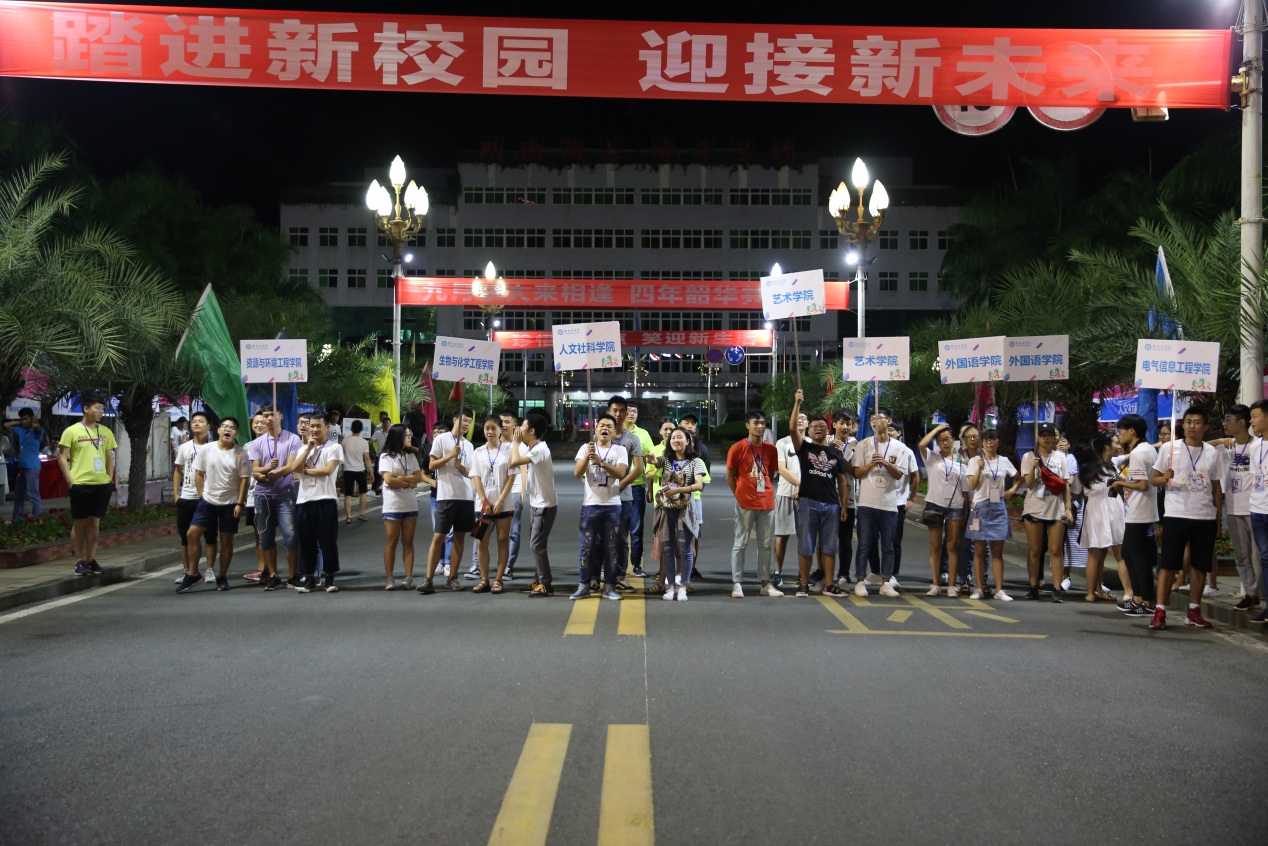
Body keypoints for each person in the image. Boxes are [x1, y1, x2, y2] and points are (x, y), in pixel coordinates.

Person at [1149, 406, 1225, 630]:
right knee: (1168, 565)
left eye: (1197, 422)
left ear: (1205, 427)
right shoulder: (1169, 449)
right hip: (1176, 514)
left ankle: (1194, 611)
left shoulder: (1213, 453)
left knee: (1200, 566)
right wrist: (1164, 477)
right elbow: (1154, 479)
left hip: (1205, 516)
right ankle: (1160, 611)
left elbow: (1216, 488)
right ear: (1183, 425)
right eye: (1188, 422)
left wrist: (1218, 519)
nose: (1192, 426)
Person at [177, 417, 251, 593]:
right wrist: (202, 495)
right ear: (218, 430)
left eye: (232, 427)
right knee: (192, 534)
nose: (228, 430)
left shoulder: (241, 453)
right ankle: (193, 574)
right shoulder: (207, 449)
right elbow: (199, 474)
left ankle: (222, 576)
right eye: (224, 426)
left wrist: (240, 503)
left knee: (226, 539)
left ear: (236, 433)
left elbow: (244, 480)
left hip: (230, 503)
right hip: (208, 501)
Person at [850, 406, 914, 597]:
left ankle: (886, 582)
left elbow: (899, 474)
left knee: (888, 546)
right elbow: (857, 472)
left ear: (889, 421)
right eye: (872, 419)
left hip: (889, 504)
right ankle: (860, 581)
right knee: (864, 544)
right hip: (867, 504)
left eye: (879, 418)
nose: (875, 422)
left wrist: (885, 463)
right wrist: (871, 464)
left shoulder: (900, 448)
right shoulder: (863, 445)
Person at [790, 391, 848, 597]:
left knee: (829, 547)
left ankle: (829, 584)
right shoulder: (804, 448)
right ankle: (804, 584)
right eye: (814, 426)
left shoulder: (836, 453)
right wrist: (797, 403)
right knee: (805, 545)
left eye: (822, 426)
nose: (818, 429)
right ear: (809, 430)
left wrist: (843, 504)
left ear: (827, 430)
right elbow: (792, 428)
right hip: (808, 502)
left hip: (831, 505)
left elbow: (842, 480)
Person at [57, 395, 117, 576]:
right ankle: (78, 561)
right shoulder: (72, 431)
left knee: (94, 523)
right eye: (98, 408)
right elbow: (62, 457)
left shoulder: (106, 432)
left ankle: (91, 560)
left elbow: (109, 457)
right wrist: (70, 481)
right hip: (80, 484)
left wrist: (109, 479)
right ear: (86, 409)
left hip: (102, 484)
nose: (101, 411)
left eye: (102, 408)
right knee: (79, 522)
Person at [285, 411, 344, 593]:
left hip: (326, 500)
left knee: (328, 542)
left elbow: (327, 470)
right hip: (304, 501)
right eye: (312, 426)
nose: (314, 429)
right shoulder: (303, 449)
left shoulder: (334, 447)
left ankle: (329, 578)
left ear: (327, 426)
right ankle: (309, 578)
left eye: (318, 426)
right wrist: (308, 449)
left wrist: (306, 471)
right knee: (306, 542)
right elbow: (294, 468)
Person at [247, 403, 303, 591]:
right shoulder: (257, 443)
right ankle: (273, 575)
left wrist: (268, 475)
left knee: (291, 535)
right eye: (266, 415)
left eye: (272, 414)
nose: (269, 418)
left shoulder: (293, 439)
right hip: (262, 496)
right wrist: (265, 471)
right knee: (265, 537)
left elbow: (290, 466)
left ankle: (293, 575)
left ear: (281, 415)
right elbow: (255, 470)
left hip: (286, 494)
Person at [572, 414, 628, 600]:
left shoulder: (619, 450)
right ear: (596, 429)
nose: (605, 429)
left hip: (613, 506)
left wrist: (601, 463)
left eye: (609, 426)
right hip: (590, 506)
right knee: (586, 547)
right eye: (601, 425)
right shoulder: (586, 448)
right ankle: (584, 585)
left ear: (614, 431)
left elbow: (620, 473)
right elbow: (577, 473)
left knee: (612, 548)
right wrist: (588, 457)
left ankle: (610, 586)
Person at [725, 410, 780, 598]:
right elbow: (730, 476)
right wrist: (739, 494)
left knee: (765, 545)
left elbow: (769, 474)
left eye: (763, 423)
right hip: (745, 503)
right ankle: (737, 583)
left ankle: (765, 583)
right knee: (740, 543)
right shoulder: (738, 448)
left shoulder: (771, 449)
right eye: (756, 423)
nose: (760, 426)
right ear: (747, 425)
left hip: (766, 503)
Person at [420, 408, 474, 594]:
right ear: (455, 420)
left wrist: (462, 467)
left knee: (459, 537)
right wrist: (450, 455)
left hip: (465, 496)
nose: (467, 424)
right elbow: (431, 465)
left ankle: (453, 578)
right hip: (446, 496)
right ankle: (428, 579)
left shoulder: (469, 446)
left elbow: (471, 472)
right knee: (439, 536)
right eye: (464, 420)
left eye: (469, 422)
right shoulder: (441, 440)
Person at [1019, 422, 1074, 602]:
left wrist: (1068, 508)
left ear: (1054, 437)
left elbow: (1065, 484)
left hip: (1056, 508)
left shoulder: (1060, 458)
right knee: (1034, 550)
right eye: (1042, 435)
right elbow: (1029, 484)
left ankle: (1057, 588)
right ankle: (1033, 586)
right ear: (1037, 438)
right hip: (1034, 508)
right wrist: (1034, 467)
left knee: (1056, 550)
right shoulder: (1028, 457)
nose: (1046, 438)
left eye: (1049, 435)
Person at [1212, 405, 1260, 612]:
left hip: (1257, 508)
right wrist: (1218, 441)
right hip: (1233, 508)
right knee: (1241, 555)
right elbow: (1199, 446)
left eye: (1228, 419)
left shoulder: (1258, 445)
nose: (1225, 423)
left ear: (1242, 422)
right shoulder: (1225, 447)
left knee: (1263, 554)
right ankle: (1251, 594)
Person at [649, 426, 705, 601]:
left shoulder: (695, 462)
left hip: (685, 509)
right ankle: (671, 586)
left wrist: (679, 490)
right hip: (666, 509)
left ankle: (683, 586)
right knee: (668, 549)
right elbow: (655, 463)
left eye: (680, 437)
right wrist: (651, 459)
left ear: (688, 441)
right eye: (673, 438)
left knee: (685, 549)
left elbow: (699, 485)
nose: (675, 440)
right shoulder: (666, 460)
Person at [1112, 414, 1159, 617]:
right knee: (1132, 555)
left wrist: (1119, 483)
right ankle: (1138, 598)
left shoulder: (1139, 453)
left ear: (1132, 431)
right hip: (1140, 510)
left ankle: (1146, 601)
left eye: (1121, 430)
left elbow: (1142, 484)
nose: (1119, 434)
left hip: (1139, 512)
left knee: (1136, 557)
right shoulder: (1146, 449)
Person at [964, 429, 1018, 600]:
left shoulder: (1004, 461)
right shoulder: (975, 461)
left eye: (993, 439)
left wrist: (1011, 491)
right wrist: (979, 469)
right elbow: (972, 485)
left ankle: (999, 590)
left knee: (997, 552)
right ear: (983, 442)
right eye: (986, 439)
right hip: (980, 507)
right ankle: (979, 588)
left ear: (998, 441)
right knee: (979, 550)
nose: (989, 442)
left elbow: (1019, 477)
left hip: (998, 507)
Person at [509, 413, 558, 597]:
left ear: (531, 430)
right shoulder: (534, 448)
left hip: (544, 505)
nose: (519, 429)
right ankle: (539, 579)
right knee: (536, 543)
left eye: (522, 425)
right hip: (538, 503)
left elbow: (514, 462)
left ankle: (545, 583)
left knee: (536, 545)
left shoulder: (540, 449)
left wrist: (515, 443)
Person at [1073, 436, 1125, 603]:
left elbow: (1076, 492)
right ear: (1105, 447)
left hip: (1094, 509)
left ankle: (1092, 593)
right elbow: (1121, 487)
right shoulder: (1110, 468)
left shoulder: (1084, 470)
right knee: (1119, 553)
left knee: (1094, 555)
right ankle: (1129, 592)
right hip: (1113, 507)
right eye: (1115, 443)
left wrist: (1089, 495)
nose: (1118, 446)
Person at [919, 423, 967, 597]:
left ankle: (952, 585)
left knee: (952, 545)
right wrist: (936, 429)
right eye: (941, 440)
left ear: (953, 440)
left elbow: (965, 488)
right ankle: (935, 584)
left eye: (947, 439)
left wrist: (967, 509)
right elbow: (921, 444)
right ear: (937, 443)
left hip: (955, 505)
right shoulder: (932, 457)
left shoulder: (961, 461)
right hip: (935, 504)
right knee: (935, 545)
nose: (945, 443)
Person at [470, 415, 515, 594]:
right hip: (483, 507)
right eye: (487, 428)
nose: (490, 431)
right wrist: (484, 501)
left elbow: (511, 477)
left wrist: (501, 500)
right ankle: (484, 580)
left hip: (504, 504)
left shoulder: (508, 451)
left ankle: (498, 580)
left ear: (500, 430)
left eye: (493, 428)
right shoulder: (478, 452)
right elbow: (476, 477)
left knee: (503, 540)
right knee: (481, 541)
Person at [171, 412, 216, 585]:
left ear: (208, 426)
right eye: (194, 421)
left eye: (201, 421)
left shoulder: (214, 447)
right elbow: (178, 470)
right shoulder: (185, 447)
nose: (197, 424)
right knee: (185, 536)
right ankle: (188, 570)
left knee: (210, 535)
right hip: (187, 497)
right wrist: (176, 495)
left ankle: (210, 569)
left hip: (208, 497)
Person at [605, 396, 645, 588]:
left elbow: (638, 468)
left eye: (622, 411)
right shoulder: (600, 436)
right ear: (608, 412)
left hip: (624, 495)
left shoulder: (632, 439)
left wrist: (619, 486)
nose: (619, 414)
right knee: (601, 536)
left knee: (622, 537)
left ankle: (621, 575)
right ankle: (602, 572)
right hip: (601, 495)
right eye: (615, 410)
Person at [380, 424, 425, 590]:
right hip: (392, 505)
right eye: (407, 435)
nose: (409, 437)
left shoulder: (410, 456)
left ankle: (408, 577)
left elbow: (419, 477)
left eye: (410, 434)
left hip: (410, 505)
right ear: (398, 436)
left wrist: (400, 479)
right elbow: (388, 480)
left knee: (408, 542)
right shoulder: (386, 457)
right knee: (391, 541)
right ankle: (390, 578)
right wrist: (408, 483)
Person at [773, 410, 809, 589]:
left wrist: (804, 489)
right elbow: (781, 469)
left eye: (804, 418)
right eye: (797, 418)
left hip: (807, 495)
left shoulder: (812, 444)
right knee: (782, 535)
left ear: (808, 423)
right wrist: (800, 484)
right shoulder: (782, 442)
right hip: (785, 493)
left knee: (805, 536)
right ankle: (777, 572)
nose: (800, 421)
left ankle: (803, 574)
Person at [624, 402, 654, 577]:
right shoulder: (614, 432)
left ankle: (636, 564)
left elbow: (651, 459)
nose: (631, 414)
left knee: (636, 528)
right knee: (615, 528)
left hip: (636, 486)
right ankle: (613, 565)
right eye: (628, 411)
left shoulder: (643, 434)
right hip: (617, 487)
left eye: (634, 411)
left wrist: (649, 488)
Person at [1246, 400, 1268, 623]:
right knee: (1265, 559)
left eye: (1255, 416)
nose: (1251, 421)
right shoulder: (1255, 447)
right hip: (1258, 509)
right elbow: (1255, 477)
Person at [498, 410, 527, 581]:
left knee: (513, 531)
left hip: (514, 492)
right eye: (501, 421)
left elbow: (524, 470)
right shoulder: (492, 444)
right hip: (493, 494)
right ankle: (477, 564)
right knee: (482, 529)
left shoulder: (521, 447)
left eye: (507, 422)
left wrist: (523, 491)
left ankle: (508, 565)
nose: (503, 425)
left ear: (515, 426)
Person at [832, 411, 859, 590]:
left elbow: (856, 472)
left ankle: (843, 574)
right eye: (841, 423)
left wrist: (841, 456)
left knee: (845, 539)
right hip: (827, 498)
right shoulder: (826, 441)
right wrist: (829, 448)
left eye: (848, 424)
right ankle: (823, 573)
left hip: (848, 501)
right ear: (834, 424)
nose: (845, 427)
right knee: (824, 540)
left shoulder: (858, 446)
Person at [680, 413, 710, 576]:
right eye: (687, 422)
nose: (690, 425)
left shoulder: (702, 449)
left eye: (693, 423)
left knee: (694, 534)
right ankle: (675, 571)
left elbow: (703, 481)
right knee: (673, 536)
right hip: (672, 500)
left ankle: (691, 569)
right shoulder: (672, 447)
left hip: (694, 498)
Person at [241, 412, 268, 584]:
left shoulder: (274, 444)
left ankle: (270, 570)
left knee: (267, 533)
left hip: (268, 493)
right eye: (256, 422)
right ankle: (261, 569)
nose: (258, 425)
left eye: (262, 422)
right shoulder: (247, 446)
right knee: (257, 534)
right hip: (251, 496)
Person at [6, 408, 47, 519]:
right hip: (22, 467)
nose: (24, 421)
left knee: (33, 496)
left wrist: (34, 423)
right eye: (22, 419)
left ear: (32, 418)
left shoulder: (38, 430)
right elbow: (6, 425)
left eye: (26, 419)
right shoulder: (20, 429)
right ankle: (15, 521)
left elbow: (37, 428)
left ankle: (37, 521)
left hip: (32, 467)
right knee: (19, 496)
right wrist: (21, 422)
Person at [341, 419, 372, 523]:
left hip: (347, 469)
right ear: (362, 429)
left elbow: (342, 455)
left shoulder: (345, 440)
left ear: (351, 428)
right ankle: (361, 513)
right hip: (360, 469)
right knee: (363, 492)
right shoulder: (364, 442)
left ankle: (349, 517)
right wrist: (371, 472)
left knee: (348, 494)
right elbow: (367, 458)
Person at [371, 411, 391, 495]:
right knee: (377, 472)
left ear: (390, 424)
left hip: (390, 455)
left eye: (387, 423)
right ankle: (376, 488)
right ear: (382, 423)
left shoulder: (392, 433)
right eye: (384, 423)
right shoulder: (378, 432)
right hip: (380, 455)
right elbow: (371, 441)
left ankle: (388, 487)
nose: (386, 424)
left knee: (389, 472)